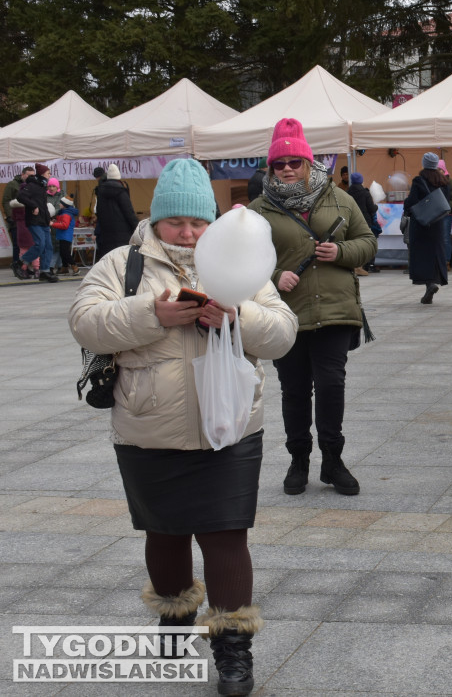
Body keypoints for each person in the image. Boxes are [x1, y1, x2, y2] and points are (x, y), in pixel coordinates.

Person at [68, 158, 298, 697]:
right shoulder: (121, 263)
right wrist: (153, 314)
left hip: (231, 427)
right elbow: (85, 321)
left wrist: (239, 316)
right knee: (165, 533)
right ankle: (174, 616)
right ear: (156, 219)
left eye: (198, 222)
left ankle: (234, 646)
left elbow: (283, 333)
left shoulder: (236, 259)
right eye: (177, 223)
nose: (189, 233)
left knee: (226, 535)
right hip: (149, 426)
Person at [249, 117, 377, 498]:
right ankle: (299, 459)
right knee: (294, 389)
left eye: (294, 162)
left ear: (308, 163)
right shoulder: (257, 210)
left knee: (332, 384)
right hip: (285, 313)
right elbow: (239, 262)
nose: (287, 169)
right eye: (279, 164)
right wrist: (273, 276)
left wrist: (341, 252)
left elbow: (367, 242)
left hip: (335, 310)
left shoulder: (340, 198)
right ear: (270, 168)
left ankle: (333, 460)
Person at [403, 152, 449, 304]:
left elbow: (412, 201)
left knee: (422, 255)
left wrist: (406, 207)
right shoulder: (443, 180)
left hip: (422, 223)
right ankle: (433, 282)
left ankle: (429, 284)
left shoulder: (419, 180)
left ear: (424, 163)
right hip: (437, 223)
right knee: (435, 254)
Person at [15, 163, 59, 283]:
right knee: (40, 244)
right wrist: (33, 206)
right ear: (42, 174)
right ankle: (20, 262)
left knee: (48, 247)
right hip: (34, 221)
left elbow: (43, 206)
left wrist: (48, 219)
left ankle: (45, 271)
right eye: (48, 173)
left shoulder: (41, 186)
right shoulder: (32, 186)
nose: (50, 175)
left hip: (43, 221)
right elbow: (20, 196)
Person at [94, 163, 137, 260]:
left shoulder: (100, 192)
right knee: (122, 261)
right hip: (123, 234)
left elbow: (99, 212)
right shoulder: (121, 191)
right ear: (119, 177)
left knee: (111, 262)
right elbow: (129, 212)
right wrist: (136, 227)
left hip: (107, 235)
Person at [346, 171, 380, 273]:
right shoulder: (365, 193)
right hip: (365, 222)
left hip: (352, 222)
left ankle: (357, 265)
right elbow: (371, 208)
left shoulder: (347, 193)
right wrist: (376, 206)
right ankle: (369, 265)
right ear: (361, 180)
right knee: (369, 243)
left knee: (355, 243)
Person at [3, 166, 33, 269]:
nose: (31, 177)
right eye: (29, 175)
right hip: (17, 218)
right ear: (23, 174)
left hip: (29, 218)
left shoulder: (32, 185)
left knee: (31, 242)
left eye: (33, 176)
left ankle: (28, 265)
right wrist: (10, 215)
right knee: (17, 243)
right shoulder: (13, 184)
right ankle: (17, 264)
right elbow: (6, 200)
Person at [50, 195, 80, 275]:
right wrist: (56, 220)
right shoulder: (63, 213)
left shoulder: (66, 214)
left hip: (65, 236)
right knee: (62, 252)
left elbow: (64, 225)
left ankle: (75, 267)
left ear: (64, 205)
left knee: (65, 252)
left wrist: (53, 224)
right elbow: (62, 221)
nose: (59, 204)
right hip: (63, 235)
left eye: (61, 203)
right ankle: (65, 267)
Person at [438, 159, 452, 268]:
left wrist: (445, 208)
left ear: (443, 169)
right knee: (437, 237)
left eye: (440, 169)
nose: (438, 171)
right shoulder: (434, 182)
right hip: (436, 215)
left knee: (445, 238)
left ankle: (446, 261)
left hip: (446, 214)